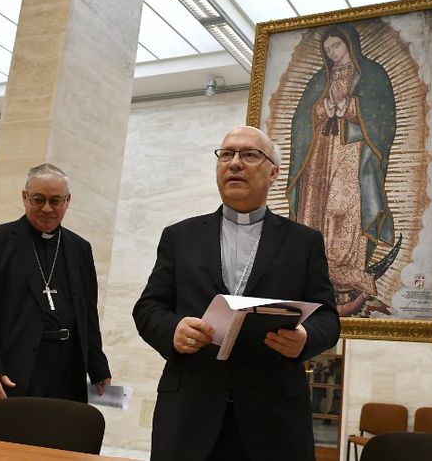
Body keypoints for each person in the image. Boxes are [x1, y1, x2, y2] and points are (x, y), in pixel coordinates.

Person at [133, 126, 340, 461]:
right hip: (190, 411)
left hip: (273, 417)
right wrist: (174, 330)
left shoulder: (304, 242)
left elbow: (329, 317)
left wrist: (305, 338)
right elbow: (148, 308)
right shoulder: (179, 236)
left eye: (249, 154)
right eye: (226, 154)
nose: (234, 163)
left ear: (273, 172)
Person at [0, 163, 111, 412]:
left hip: (67, 373)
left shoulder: (80, 248)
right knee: (4, 447)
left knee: (59, 446)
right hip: (12, 373)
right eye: (38, 200)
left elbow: (87, 315)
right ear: (24, 197)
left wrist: (97, 365)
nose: (47, 209)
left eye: (55, 201)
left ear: (68, 201)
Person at [287, 23, 398, 316]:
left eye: (336, 46)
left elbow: (383, 118)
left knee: (345, 208)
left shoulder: (372, 75)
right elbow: (301, 121)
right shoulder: (319, 80)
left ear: (349, 43)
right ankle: (320, 270)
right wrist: (322, 110)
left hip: (353, 153)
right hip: (320, 156)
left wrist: (350, 108)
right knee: (317, 210)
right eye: (327, 50)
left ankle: (347, 270)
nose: (332, 53)